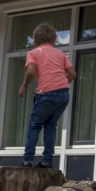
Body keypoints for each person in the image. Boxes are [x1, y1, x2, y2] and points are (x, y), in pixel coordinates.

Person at [17, 23, 75, 168]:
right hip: (63, 95)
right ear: (54, 39)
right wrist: (61, 85)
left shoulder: (34, 53)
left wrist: (24, 86)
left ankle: (27, 160)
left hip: (46, 94)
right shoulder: (61, 54)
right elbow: (72, 74)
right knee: (50, 126)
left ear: (35, 40)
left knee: (34, 126)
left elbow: (30, 72)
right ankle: (47, 161)